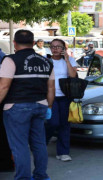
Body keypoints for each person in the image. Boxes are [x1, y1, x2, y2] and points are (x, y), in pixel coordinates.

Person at [0, 30, 55, 180]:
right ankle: (41, 176)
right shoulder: (46, 61)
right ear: (33, 43)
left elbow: (3, 87)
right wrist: (49, 107)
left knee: (20, 146)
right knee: (39, 144)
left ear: (14, 43)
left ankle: (23, 178)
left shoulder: (10, 60)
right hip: (40, 106)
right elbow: (51, 88)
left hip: (16, 108)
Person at [46, 39, 78, 162]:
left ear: (63, 49)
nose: (55, 49)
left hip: (65, 96)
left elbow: (73, 76)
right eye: (53, 46)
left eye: (58, 47)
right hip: (50, 96)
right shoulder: (46, 60)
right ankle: (42, 142)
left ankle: (63, 152)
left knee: (64, 124)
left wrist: (67, 60)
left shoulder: (69, 60)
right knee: (53, 122)